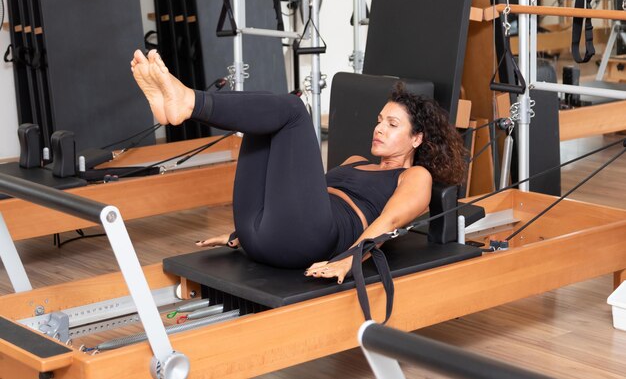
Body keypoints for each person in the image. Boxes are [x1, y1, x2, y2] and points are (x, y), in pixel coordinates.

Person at [130, 49, 467, 284]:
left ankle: (189, 101)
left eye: (392, 125)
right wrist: (238, 235)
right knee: (264, 122)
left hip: (309, 241)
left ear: (417, 138)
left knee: (292, 109)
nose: (379, 128)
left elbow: (391, 221)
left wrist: (350, 260)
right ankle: (181, 103)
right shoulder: (355, 161)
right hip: (260, 233)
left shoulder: (415, 175)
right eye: (379, 120)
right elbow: (290, 190)